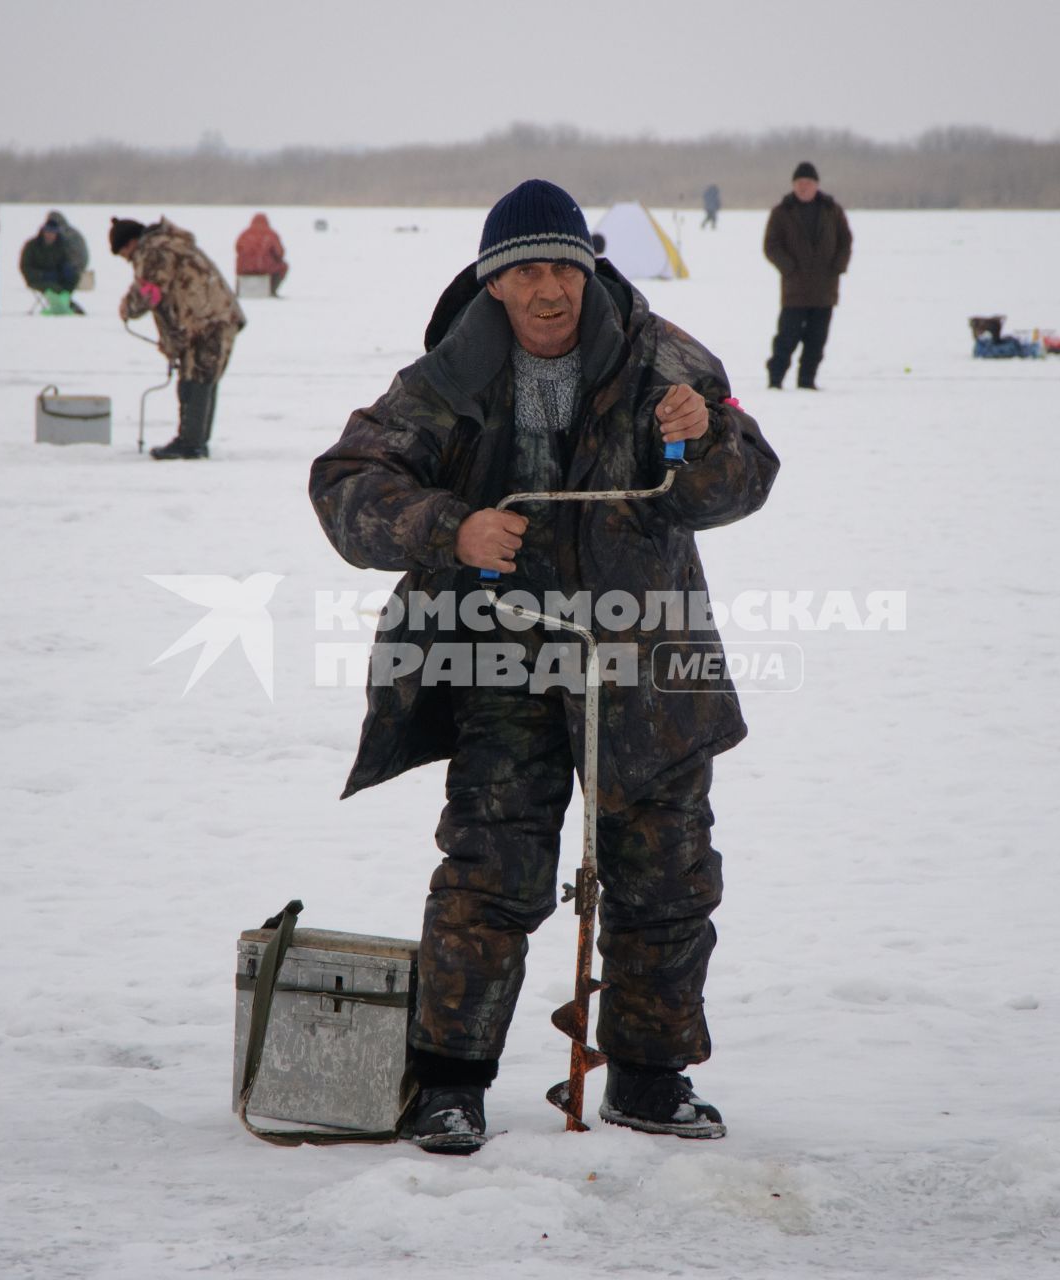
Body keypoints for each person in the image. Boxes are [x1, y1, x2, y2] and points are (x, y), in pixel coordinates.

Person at [309, 178, 781, 1155]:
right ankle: (449, 1081)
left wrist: (703, 439)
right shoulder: (448, 377)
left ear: (589, 270)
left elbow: (743, 477)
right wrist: (451, 526)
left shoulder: (667, 360)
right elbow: (346, 484)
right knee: (490, 867)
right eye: (524, 270)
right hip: (503, 647)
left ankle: (649, 1079)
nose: (547, 288)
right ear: (493, 285)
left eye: (562, 265)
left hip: (644, 653)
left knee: (666, 877)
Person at [112, 216, 245, 460]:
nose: (128, 259)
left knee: (197, 378)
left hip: (207, 320)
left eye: (124, 252)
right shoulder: (167, 244)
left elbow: (149, 292)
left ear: (130, 242)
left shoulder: (154, 250)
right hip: (214, 317)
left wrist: (127, 307)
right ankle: (195, 440)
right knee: (200, 377)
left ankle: (191, 443)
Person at [762, 161, 852, 390]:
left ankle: (807, 381)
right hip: (795, 290)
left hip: (825, 290)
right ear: (793, 185)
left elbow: (845, 241)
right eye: (800, 183)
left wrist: (837, 267)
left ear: (816, 185)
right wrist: (789, 268)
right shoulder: (782, 211)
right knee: (786, 338)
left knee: (816, 340)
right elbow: (771, 245)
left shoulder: (832, 209)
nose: (804, 187)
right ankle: (775, 380)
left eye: (808, 183)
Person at [20, 213, 86, 314]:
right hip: (37, 279)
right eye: (48, 231)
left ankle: (64, 302)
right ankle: (66, 305)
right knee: (55, 288)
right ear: (43, 232)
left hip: (56, 276)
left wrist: (67, 268)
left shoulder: (61, 246)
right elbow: (25, 267)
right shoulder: (31, 246)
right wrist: (41, 275)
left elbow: (65, 260)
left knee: (73, 278)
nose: (50, 235)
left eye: (53, 232)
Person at [235, 213, 289, 296]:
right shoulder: (271, 234)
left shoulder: (244, 234)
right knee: (283, 266)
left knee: (240, 262)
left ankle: (239, 290)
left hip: (244, 271)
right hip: (265, 270)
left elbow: (238, 249)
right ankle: (272, 290)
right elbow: (280, 253)